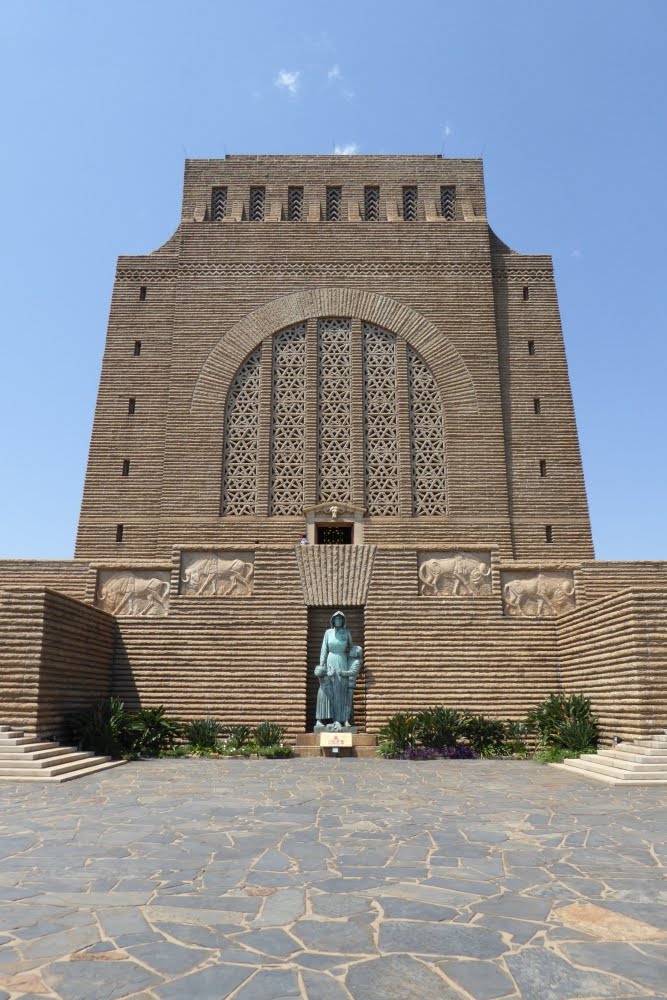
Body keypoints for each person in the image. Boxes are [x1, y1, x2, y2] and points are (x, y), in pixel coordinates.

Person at [315, 611, 361, 728]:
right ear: (333, 620)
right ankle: (327, 718)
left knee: (341, 690)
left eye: (341, 619)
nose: (339, 621)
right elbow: (324, 649)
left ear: (343, 621)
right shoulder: (328, 633)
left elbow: (352, 648)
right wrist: (322, 664)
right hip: (330, 659)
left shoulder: (346, 633)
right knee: (328, 690)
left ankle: (341, 719)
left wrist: (356, 659)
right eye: (337, 619)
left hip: (342, 661)